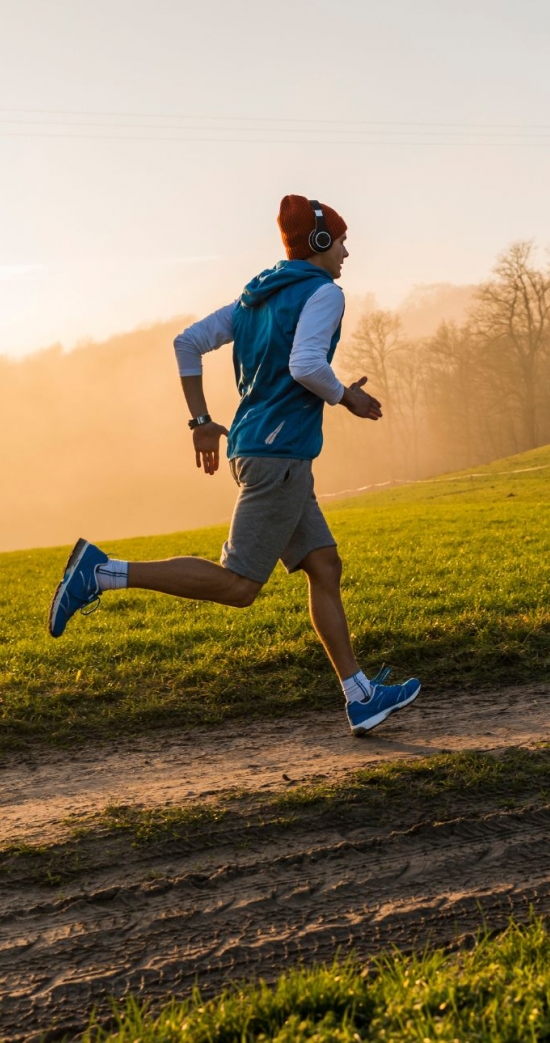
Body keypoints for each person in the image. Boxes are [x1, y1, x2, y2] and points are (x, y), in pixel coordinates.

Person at [47, 195, 421, 737]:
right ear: (319, 243)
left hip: (261, 449)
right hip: (279, 456)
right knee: (240, 586)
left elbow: (187, 342)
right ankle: (102, 573)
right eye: (340, 240)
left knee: (323, 566)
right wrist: (347, 399)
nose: (346, 251)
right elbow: (307, 365)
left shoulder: (254, 298)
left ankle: (360, 695)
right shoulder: (324, 293)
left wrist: (200, 418)